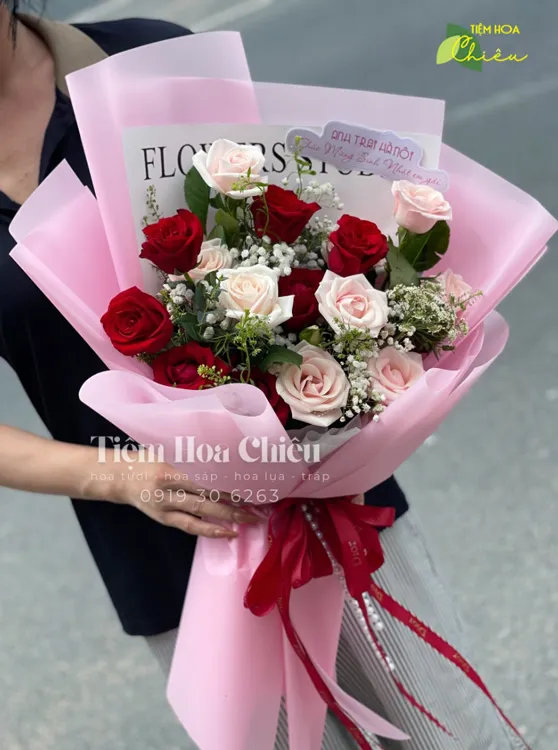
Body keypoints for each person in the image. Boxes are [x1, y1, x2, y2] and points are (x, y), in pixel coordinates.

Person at [0, 4, 518, 749]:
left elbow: (307, 229)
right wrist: (120, 477)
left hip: (328, 491)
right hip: (165, 541)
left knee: (449, 734)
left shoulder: (147, 64)